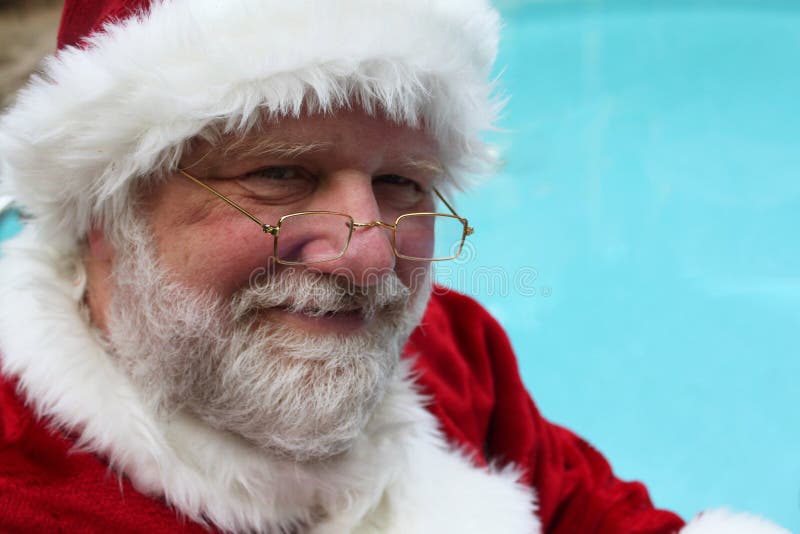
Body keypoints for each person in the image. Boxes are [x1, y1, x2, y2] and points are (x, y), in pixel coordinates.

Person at [0, 1, 789, 533]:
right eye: (280, 174)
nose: (370, 255)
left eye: (402, 183)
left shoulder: (447, 349)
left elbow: (583, 509)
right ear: (103, 211)